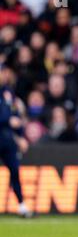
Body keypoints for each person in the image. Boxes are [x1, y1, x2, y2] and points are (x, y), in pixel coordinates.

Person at [0, 66, 32, 218]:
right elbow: (9, 118)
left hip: (7, 140)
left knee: (15, 172)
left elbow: (15, 114)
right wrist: (7, 120)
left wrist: (20, 137)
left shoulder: (8, 92)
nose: (4, 75)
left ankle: (22, 205)